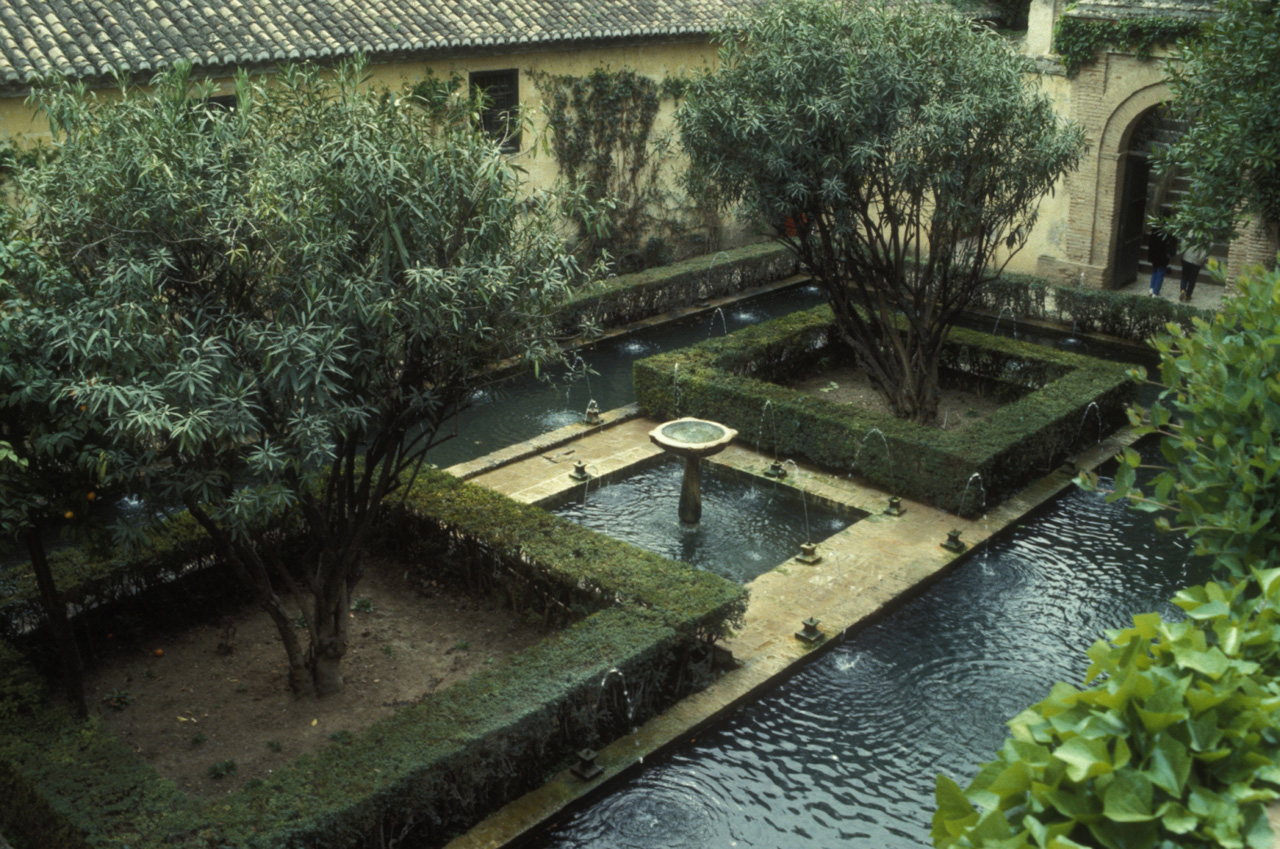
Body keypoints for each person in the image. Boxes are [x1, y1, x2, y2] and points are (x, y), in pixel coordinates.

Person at [1147, 218, 1177, 296]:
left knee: (1154, 271)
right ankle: (1155, 292)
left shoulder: (1155, 231)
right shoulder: (1168, 233)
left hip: (1154, 255)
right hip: (1163, 256)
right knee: (1160, 273)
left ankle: (1151, 289)